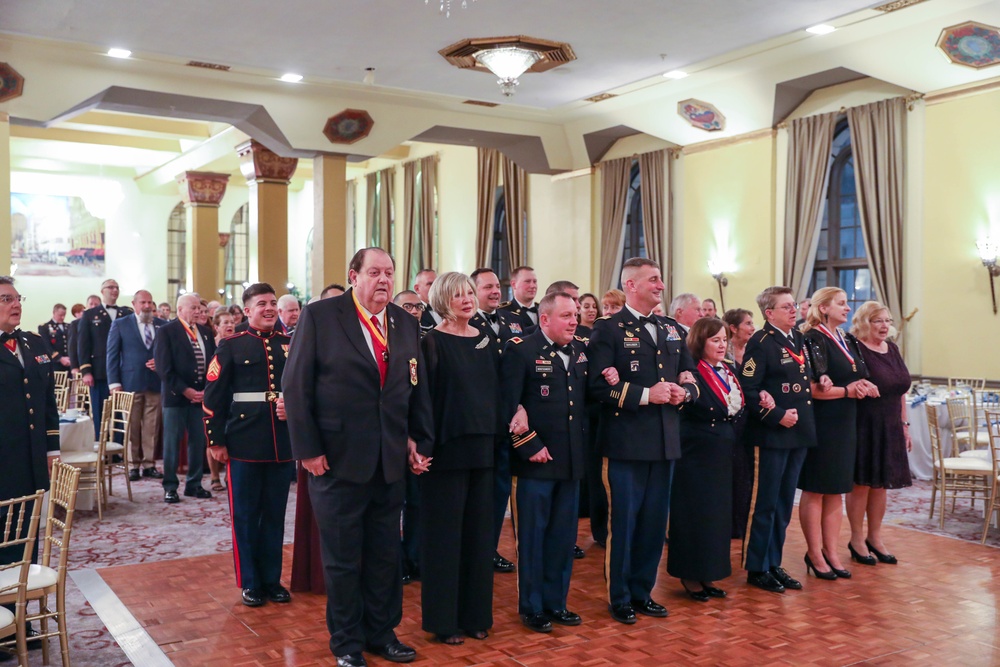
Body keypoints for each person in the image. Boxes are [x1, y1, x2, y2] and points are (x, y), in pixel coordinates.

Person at [283, 248, 433, 667]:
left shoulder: (405, 321)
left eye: (389, 272)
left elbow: (413, 386)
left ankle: (381, 634)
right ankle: (347, 643)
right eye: (374, 272)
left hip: (389, 463)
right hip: (336, 461)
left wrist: (420, 440)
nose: (383, 280)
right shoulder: (322, 316)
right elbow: (296, 387)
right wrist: (308, 450)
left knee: (386, 555)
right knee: (344, 560)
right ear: (354, 276)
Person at [587, 257, 698, 624]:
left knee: (653, 523)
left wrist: (685, 392)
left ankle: (642, 591)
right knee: (625, 523)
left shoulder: (670, 329)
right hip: (626, 443)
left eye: (661, 279)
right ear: (631, 285)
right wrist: (648, 395)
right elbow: (599, 387)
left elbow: (691, 375)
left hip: (665, 441)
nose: (661, 286)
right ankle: (619, 596)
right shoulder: (609, 329)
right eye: (653, 280)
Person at [500, 291, 587, 633]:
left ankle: (557, 602)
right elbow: (507, 403)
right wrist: (527, 443)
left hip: (570, 460)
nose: (574, 321)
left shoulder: (581, 350)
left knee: (563, 538)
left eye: (575, 315)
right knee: (533, 538)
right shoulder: (520, 349)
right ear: (545, 319)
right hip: (534, 463)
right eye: (566, 316)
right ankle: (532, 606)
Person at [204, 283, 294, 608]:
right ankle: (250, 582)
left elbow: (303, 388)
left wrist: (293, 406)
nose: (269, 308)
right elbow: (213, 397)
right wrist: (215, 441)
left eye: (272, 303)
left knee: (275, 515)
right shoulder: (231, 346)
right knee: (245, 515)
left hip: (282, 444)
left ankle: (272, 579)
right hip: (243, 442)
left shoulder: (290, 344)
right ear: (247, 311)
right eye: (261, 304)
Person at [418, 272, 497, 645]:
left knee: (479, 538)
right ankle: (443, 621)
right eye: (457, 295)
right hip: (446, 452)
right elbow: (424, 401)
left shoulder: (486, 337)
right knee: (445, 540)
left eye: (469, 293)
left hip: (483, 449)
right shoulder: (431, 342)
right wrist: (422, 446)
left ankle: (475, 616)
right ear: (442, 300)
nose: (466, 299)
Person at [740, 286, 817, 594]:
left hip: (797, 432)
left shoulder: (797, 339)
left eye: (794, 305)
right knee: (766, 503)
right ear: (769, 313)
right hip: (772, 433)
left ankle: (774, 562)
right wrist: (776, 416)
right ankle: (757, 566)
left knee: (784, 503)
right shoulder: (761, 343)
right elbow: (749, 389)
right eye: (786, 307)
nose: (794, 310)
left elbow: (799, 378)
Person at [798, 287, 878, 579]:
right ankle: (814, 552)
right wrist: (848, 390)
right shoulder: (812, 338)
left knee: (836, 490)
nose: (847, 308)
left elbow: (859, 373)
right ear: (823, 308)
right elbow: (815, 388)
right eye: (841, 304)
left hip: (845, 420)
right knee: (817, 488)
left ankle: (832, 551)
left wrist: (864, 385)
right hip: (823, 421)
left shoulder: (845, 338)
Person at [0, 277, 59, 657]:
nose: (14, 304)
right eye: (6, 299)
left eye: (16, 298)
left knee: (27, 539)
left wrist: (52, 448)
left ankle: (22, 617)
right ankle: (2, 624)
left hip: (32, 460)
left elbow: (47, 400)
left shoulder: (33, 343)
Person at [668, 317, 746, 601]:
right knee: (695, 514)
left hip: (722, 453)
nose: (722, 344)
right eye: (715, 340)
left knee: (716, 515)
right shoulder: (692, 372)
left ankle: (709, 572)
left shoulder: (727, 370)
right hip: (696, 453)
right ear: (700, 342)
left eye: (724, 339)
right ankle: (690, 574)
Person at [847, 301, 913, 565]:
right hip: (865, 423)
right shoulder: (856, 349)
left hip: (891, 425)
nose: (885, 326)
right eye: (878, 321)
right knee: (861, 483)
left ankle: (875, 537)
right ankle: (856, 538)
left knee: (881, 484)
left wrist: (905, 426)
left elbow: (901, 392)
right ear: (865, 322)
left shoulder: (893, 349)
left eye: (887, 321)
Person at [467, 268, 519, 573]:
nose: (495, 292)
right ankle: (472, 549)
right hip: (478, 422)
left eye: (497, 287)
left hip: (507, 421)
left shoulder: (514, 321)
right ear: (473, 291)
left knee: (500, 491)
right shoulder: (465, 324)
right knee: (477, 492)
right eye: (487, 287)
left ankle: (489, 548)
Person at [154, 293, 216, 504]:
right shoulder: (167, 331)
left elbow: (212, 365)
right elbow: (164, 368)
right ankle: (170, 486)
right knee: (172, 444)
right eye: (193, 308)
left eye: (200, 307)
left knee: (198, 442)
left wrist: (206, 390)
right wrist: (185, 390)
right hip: (176, 398)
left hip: (200, 398)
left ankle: (194, 484)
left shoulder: (206, 333)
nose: (198, 311)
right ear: (180, 310)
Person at [106, 290, 167, 481]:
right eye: (143, 302)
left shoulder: (162, 325)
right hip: (129, 383)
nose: (147, 306)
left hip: (155, 383)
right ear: (134, 304)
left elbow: (168, 353)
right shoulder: (121, 324)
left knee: (151, 426)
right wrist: (114, 383)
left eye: (150, 302)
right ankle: (132, 465)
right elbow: (112, 355)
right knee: (131, 426)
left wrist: (161, 364)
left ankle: (149, 464)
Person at [392, 289, 425, 584]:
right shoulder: (387, 339)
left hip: (414, 433)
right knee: (392, 504)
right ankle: (396, 561)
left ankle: (414, 556)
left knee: (416, 502)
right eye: (407, 306)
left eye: (417, 306)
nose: (413, 311)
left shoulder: (424, 340)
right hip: (389, 436)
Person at [78, 279, 133, 437]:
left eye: (117, 287)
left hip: (123, 370)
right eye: (110, 287)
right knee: (100, 412)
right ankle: (100, 447)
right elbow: (83, 344)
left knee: (119, 414)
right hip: (99, 371)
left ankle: (117, 450)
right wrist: (86, 370)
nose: (114, 290)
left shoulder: (126, 313)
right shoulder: (90, 315)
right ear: (102, 291)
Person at [722, 307, 757, 539]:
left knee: (746, 473)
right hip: (730, 421)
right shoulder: (724, 354)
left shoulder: (754, 351)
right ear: (733, 328)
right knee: (731, 473)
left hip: (750, 421)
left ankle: (743, 522)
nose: (752, 328)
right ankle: (729, 523)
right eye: (748, 324)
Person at [67, 296, 99, 378]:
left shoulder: (104, 321)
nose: (93, 306)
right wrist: (74, 366)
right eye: (91, 304)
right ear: (87, 306)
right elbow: (73, 346)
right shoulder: (76, 323)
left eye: (96, 304)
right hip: (83, 364)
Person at [499, 266, 539, 332]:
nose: (532, 286)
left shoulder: (544, 309)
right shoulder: (503, 311)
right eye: (527, 281)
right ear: (514, 284)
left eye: (534, 281)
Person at [38, 303, 71, 368]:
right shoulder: (44, 327)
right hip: (54, 363)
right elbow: (46, 345)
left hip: (69, 363)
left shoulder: (69, 326)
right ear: (54, 312)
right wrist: (60, 358)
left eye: (64, 315)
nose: (62, 317)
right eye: (60, 315)